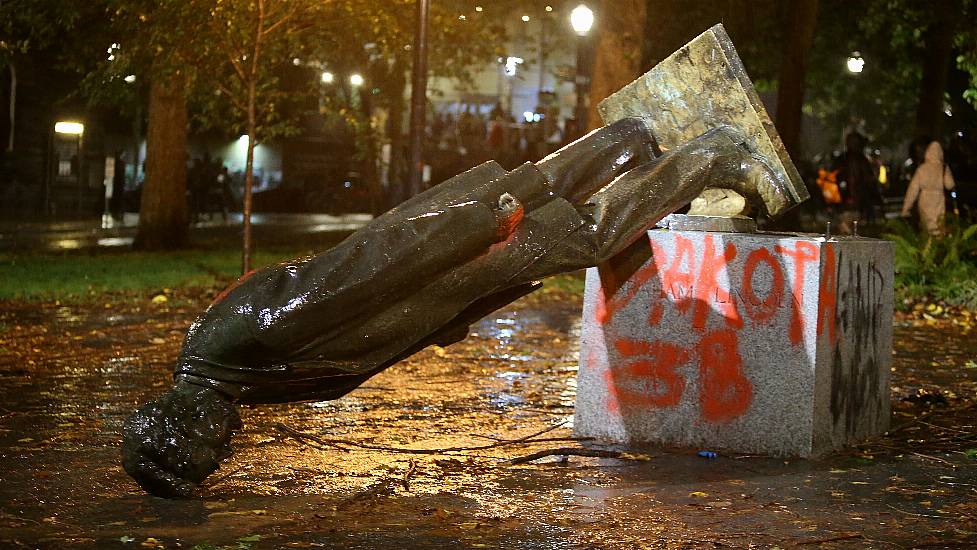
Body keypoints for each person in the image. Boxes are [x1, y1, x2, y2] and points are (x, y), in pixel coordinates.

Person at [122, 118, 788, 498]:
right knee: (545, 189)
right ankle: (629, 143)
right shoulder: (227, 379)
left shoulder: (245, 343)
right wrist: (443, 322)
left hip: (447, 256)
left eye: (206, 451)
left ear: (184, 424)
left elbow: (364, 271)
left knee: (582, 235)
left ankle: (709, 154)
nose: (224, 450)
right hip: (445, 276)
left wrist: (473, 226)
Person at [901, 141, 956, 236]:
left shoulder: (921, 169)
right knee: (938, 225)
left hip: (924, 199)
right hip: (938, 199)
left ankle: (927, 245)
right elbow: (949, 185)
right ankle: (938, 245)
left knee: (926, 225)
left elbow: (912, 190)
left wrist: (906, 208)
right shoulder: (943, 168)